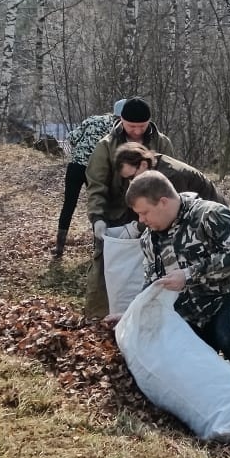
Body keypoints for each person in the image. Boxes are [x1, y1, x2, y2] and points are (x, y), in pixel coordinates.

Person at [126, 171, 230, 384]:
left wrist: (189, 275)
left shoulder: (211, 215)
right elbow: (152, 284)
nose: (141, 220)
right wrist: (130, 316)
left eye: (144, 212)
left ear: (163, 202)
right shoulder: (149, 240)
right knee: (177, 361)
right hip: (191, 311)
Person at [85, 97, 174, 319]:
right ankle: (99, 317)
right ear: (121, 121)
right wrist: (97, 218)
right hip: (115, 217)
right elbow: (96, 186)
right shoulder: (106, 146)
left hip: (153, 216)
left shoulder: (162, 144)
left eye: (141, 126)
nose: (136, 131)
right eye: (131, 126)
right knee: (105, 269)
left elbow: (170, 180)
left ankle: (150, 316)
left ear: (149, 123)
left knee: (156, 264)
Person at [51, 102, 123, 261]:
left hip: (75, 166)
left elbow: (71, 138)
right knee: (98, 204)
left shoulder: (92, 120)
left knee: (68, 205)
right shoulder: (119, 129)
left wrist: (82, 151)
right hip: (97, 170)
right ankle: (98, 248)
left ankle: (59, 247)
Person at [113, 142, 226, 206]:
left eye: (132, 177)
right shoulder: (151, 164)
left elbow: (177, 214)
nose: (131, 182)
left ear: (143, 165)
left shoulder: (171, 177)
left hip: (216, 218)